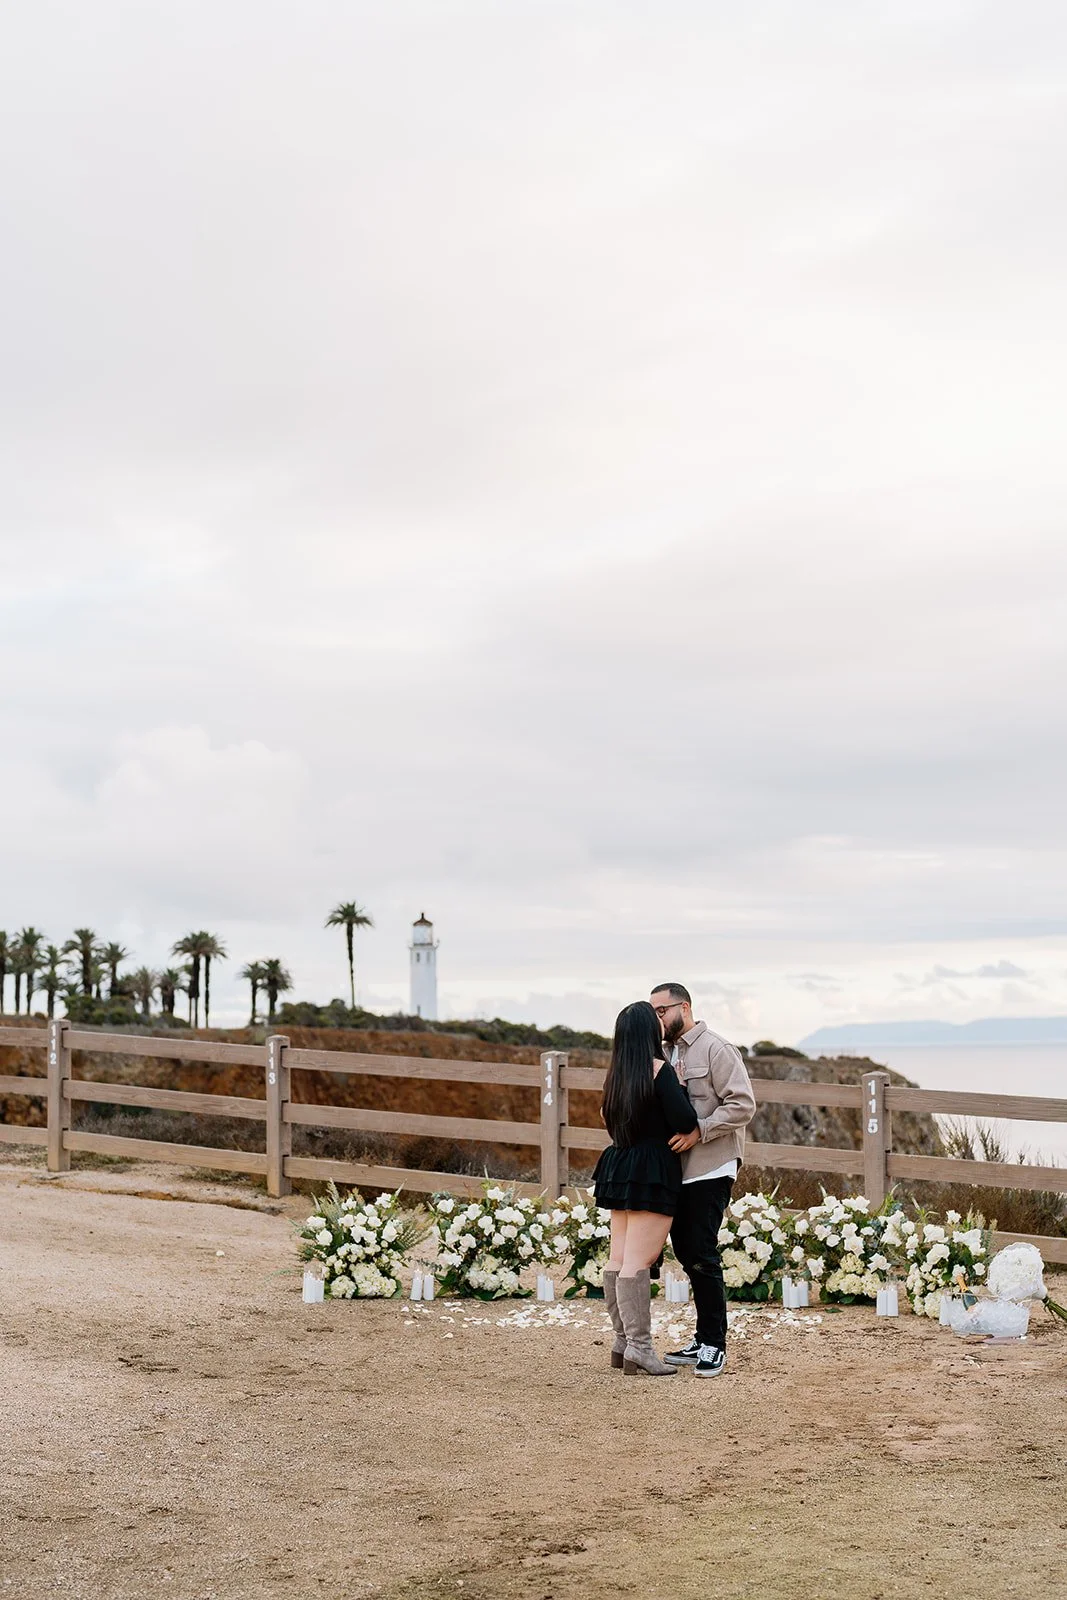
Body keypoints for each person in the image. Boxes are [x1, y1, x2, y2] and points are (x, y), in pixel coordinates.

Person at [650, 982, 756, 1379]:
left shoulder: (717, 1049)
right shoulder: (664, 1052)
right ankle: (701, 1338)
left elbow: (743, 1104)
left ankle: (715, 1344)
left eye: (662, 1011)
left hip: (711, 1164)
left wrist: (701, 1131)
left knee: (702, 1253)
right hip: (677, 1170)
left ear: (684, 1006)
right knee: (687, 1252)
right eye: (653, 1013)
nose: (657, 1019)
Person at [592, 1000, 699, 1376]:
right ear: (646, 1031)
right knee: (637, 1263)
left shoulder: (615, 1075)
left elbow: (607, 1117)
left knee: (618, 1259)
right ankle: (640, 1347)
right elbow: (685, 1120)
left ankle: (623, 1344)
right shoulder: (659, 1070)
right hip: (652, 1168)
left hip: (620, 1164)